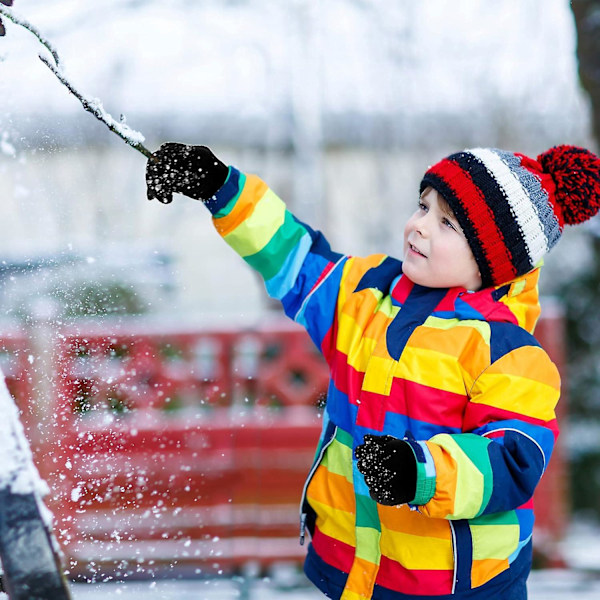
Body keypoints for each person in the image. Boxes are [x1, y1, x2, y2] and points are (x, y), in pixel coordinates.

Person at [146, 142, 600, 599]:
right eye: (422, 206)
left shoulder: (508, 353)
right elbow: (295, 260)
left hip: (454, 585)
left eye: (446, 223)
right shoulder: (366, 295)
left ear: (493, 259)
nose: (419, 227)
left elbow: (511, 459)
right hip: (352, 566)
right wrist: (220, 187)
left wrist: (419, 471)